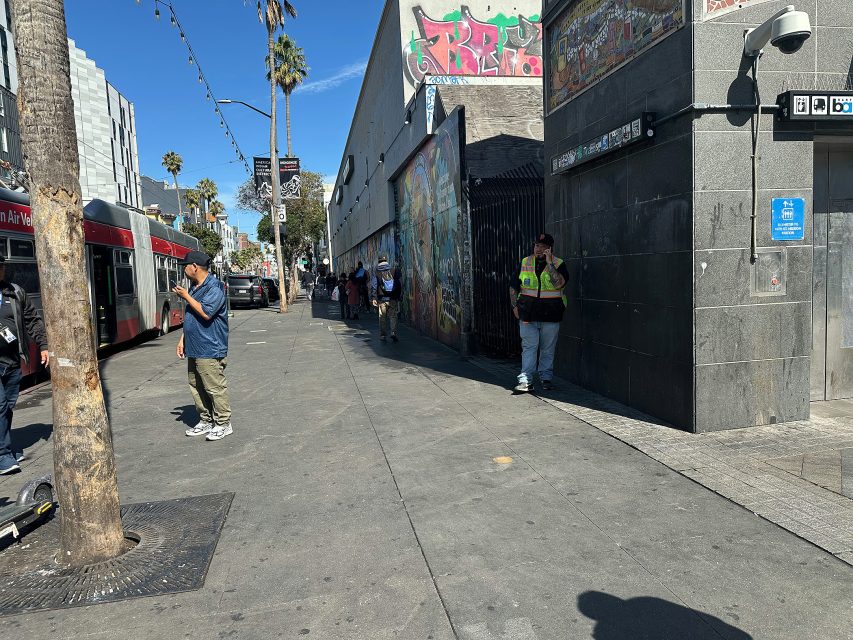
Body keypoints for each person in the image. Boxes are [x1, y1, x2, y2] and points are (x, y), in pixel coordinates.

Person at [174, 251, 232, 441]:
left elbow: (206, 312)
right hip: (194, 344)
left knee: (214, 386)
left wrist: (185, 296)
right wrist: (183, 339)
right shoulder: (194, 287)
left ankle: (223, 423)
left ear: (195, 267)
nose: (184, 269)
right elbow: (192, 316)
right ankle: (206, 420)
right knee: (196, 385)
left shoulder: (214, 287)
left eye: (185, 265)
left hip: (210, 345)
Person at [0, 257, 48, 474]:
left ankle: (4, 447)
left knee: (7, 407)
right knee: (0, 407)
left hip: (12, 362)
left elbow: (31, 320)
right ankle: (3, 455)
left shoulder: (14, 292)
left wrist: (43, 345)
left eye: (1, 266)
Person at [511, 233, 569, 393]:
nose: (539, 249)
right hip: (527, 314)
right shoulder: (525, 262)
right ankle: (525, 380)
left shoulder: (559, 264)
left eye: (543, 247)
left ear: (550, 249)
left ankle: (546, 378)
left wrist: (550, 263)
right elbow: (514, 286)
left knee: (547, 349)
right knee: (529, 347)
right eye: (537, 245)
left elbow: (559, 284)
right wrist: (514, 306)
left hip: (551, 315)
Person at [371, 255, 402, 342]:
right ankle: (393, 332)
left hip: (382, 299)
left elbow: (374, 286)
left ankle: (383, 335)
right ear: (386, 261)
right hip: (392, 298)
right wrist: (398, 296)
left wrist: (374, 298)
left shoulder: (377, 272)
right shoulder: (394, 270)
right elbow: (399, 284)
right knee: (393, 316)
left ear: (379, 262)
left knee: (382, 317)